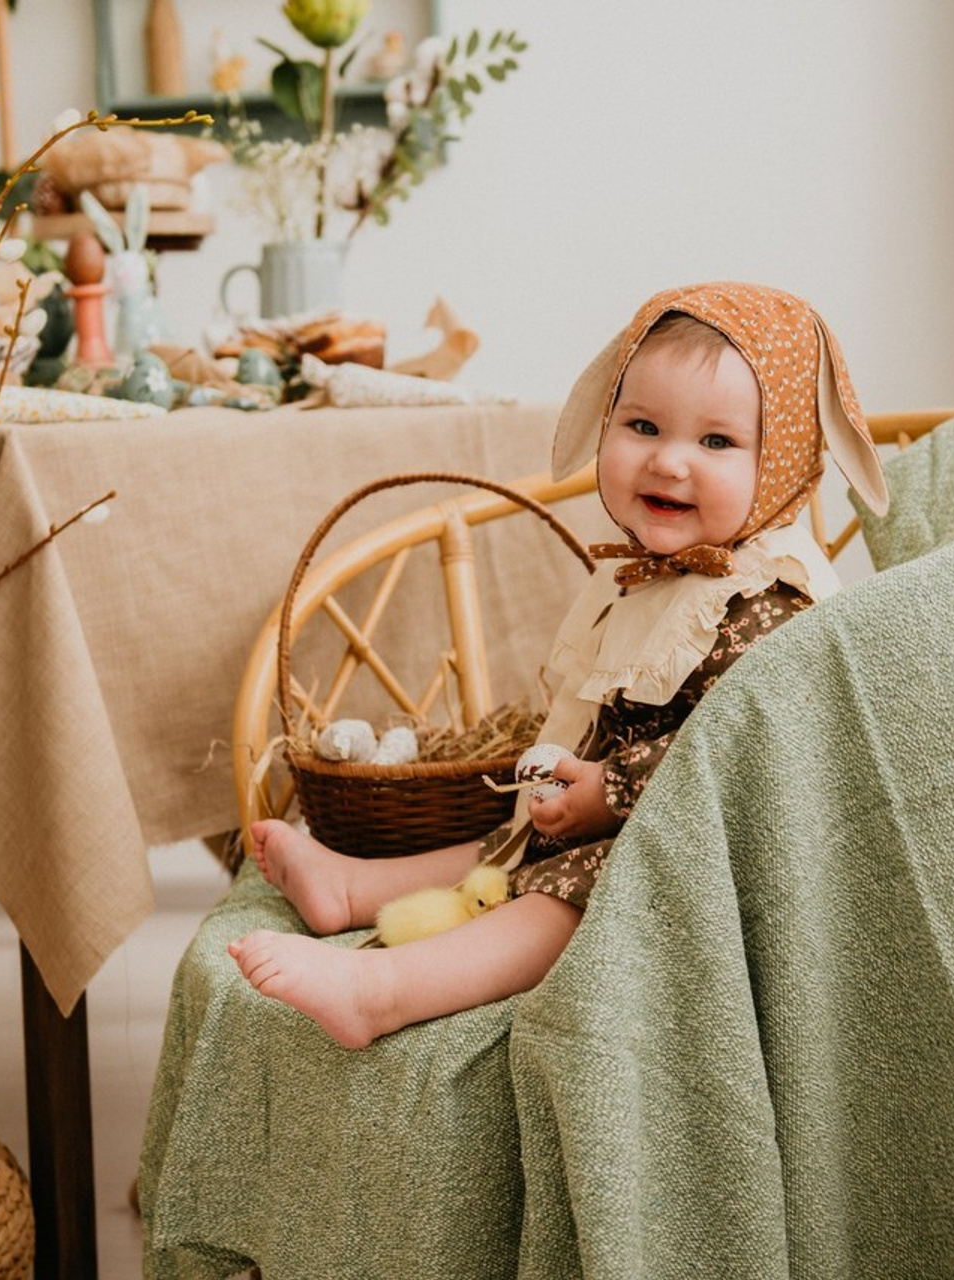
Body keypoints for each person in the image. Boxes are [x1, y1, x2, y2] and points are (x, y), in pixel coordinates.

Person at [228, 281, 888, 1048]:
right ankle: (354, 888)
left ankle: (384, 992)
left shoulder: (768, 600)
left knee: (575, 888)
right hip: (622, 818)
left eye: (716, 442)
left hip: (730, 867)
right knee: (513, 839)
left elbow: (740, 758)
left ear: (782, 464)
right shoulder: (651, 575)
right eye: (641, 425)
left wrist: (608, 793)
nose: (668, 462)